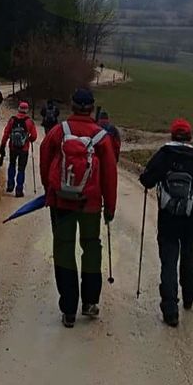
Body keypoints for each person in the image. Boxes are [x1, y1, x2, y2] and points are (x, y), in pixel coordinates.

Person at [40, 88, 118, 328]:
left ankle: (69, 309)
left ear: (72, 106)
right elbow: (110, 175)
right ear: (92, 108)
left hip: (61, 202)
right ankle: (90, 302)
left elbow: (44, 160)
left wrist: (49, 190)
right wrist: (110, 207)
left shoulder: (58, 131)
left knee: (64, 250)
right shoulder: (101, 137)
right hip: (90, 205)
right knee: (91, 248)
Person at [138, 118, 193, 328]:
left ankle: (170, 311)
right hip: (190, 219)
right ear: (190, 137)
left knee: (169, 261)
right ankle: (189, 294)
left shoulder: (164, 155)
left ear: (172, 135)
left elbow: (147, 180)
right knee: (188, 255)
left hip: (167, 219)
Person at [0, 101, 38, 197]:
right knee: (21, 168)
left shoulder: (12, 120)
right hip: (24, 149)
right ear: (27, 110)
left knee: (12, 164)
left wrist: (3, 145)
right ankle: (19, 190)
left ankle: (10, 185)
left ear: (19, 108)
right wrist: (28, 139)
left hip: (13, 147)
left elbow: (6, 133)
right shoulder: (29, 122)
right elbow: (34, 136)